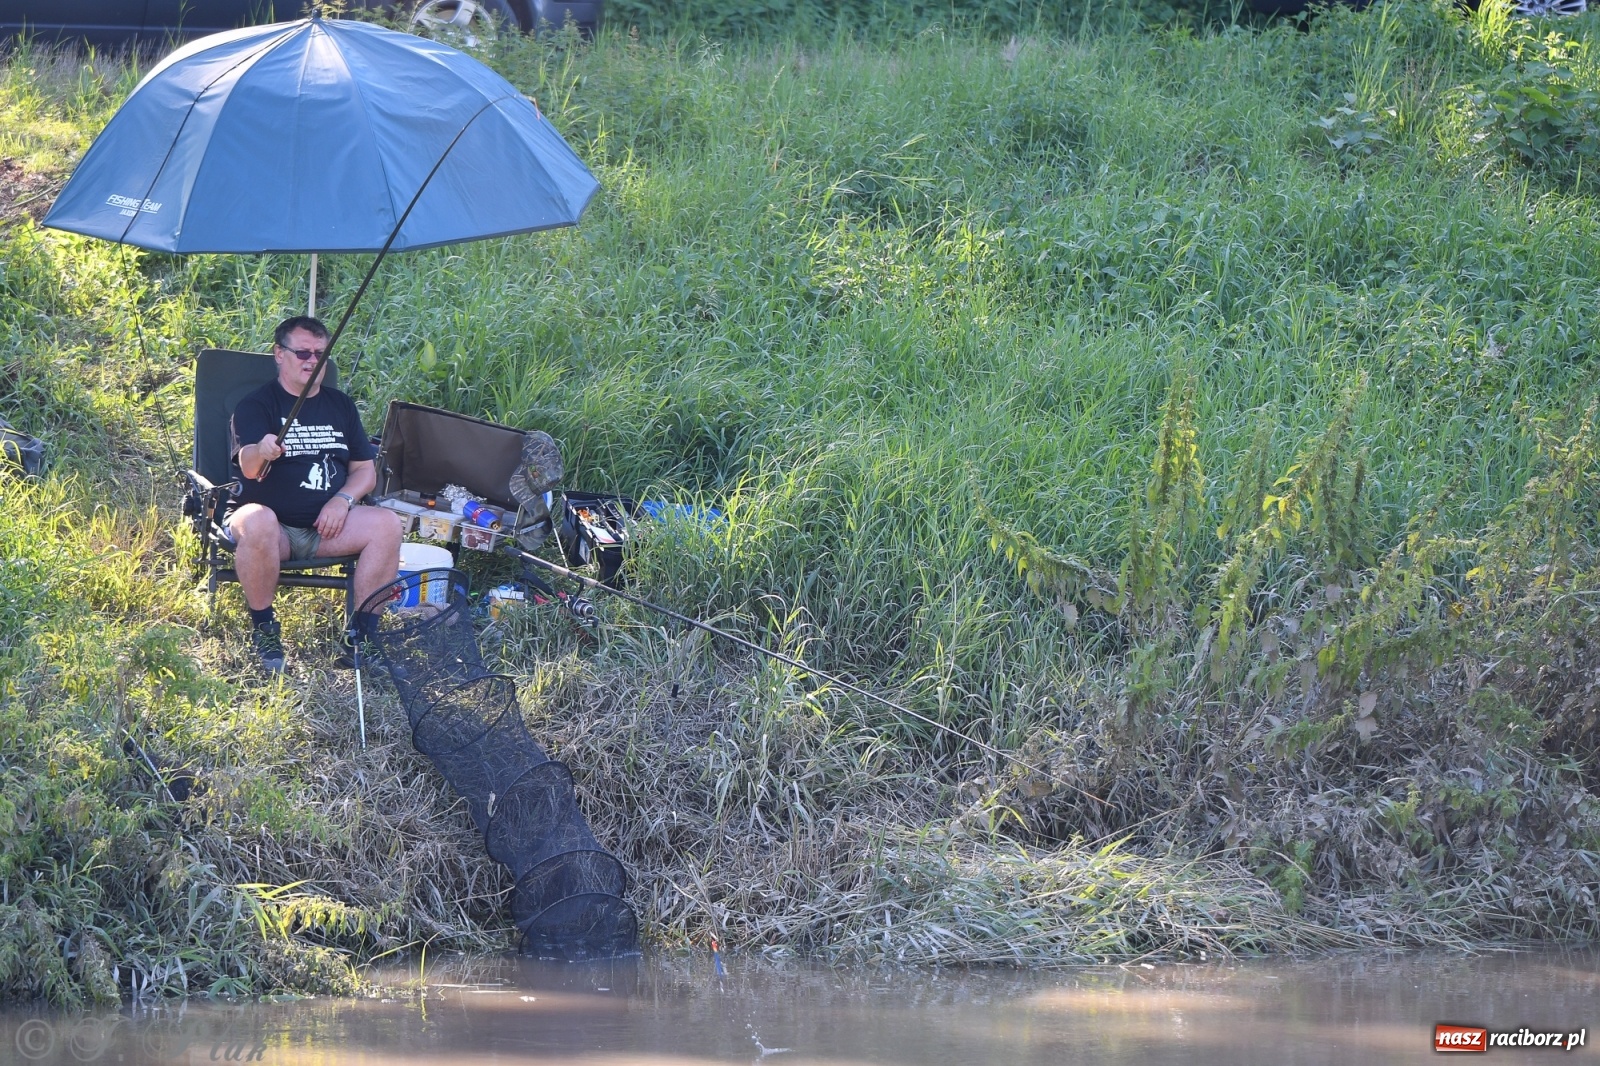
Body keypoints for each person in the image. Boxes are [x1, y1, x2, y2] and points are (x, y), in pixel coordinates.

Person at [228, 316, 402, 672]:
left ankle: (361, 641)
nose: (312, 361)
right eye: (303, 352)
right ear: (279, 354)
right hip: (272, 530)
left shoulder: (340, 406)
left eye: (321, 354)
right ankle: (265, 632)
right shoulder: (256, 405)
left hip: (329, 529)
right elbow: (247, 466)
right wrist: (262, 449)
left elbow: (364, 471)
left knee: (387, 524)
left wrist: (343, 500)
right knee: (258, 520)